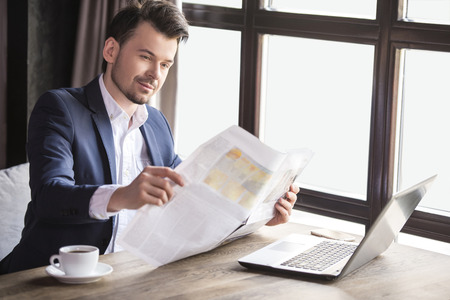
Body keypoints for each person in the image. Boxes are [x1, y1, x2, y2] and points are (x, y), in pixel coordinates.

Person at [0, 0, 299, 274]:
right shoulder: (60, 108)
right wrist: (121, 196)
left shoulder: (157, 124)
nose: (155, 73)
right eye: (146, 57)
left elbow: (194, 200)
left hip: (130, 277)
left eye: (166, 64)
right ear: (111, 51)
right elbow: (49, 197)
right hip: (46, 278)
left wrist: (257, 215)